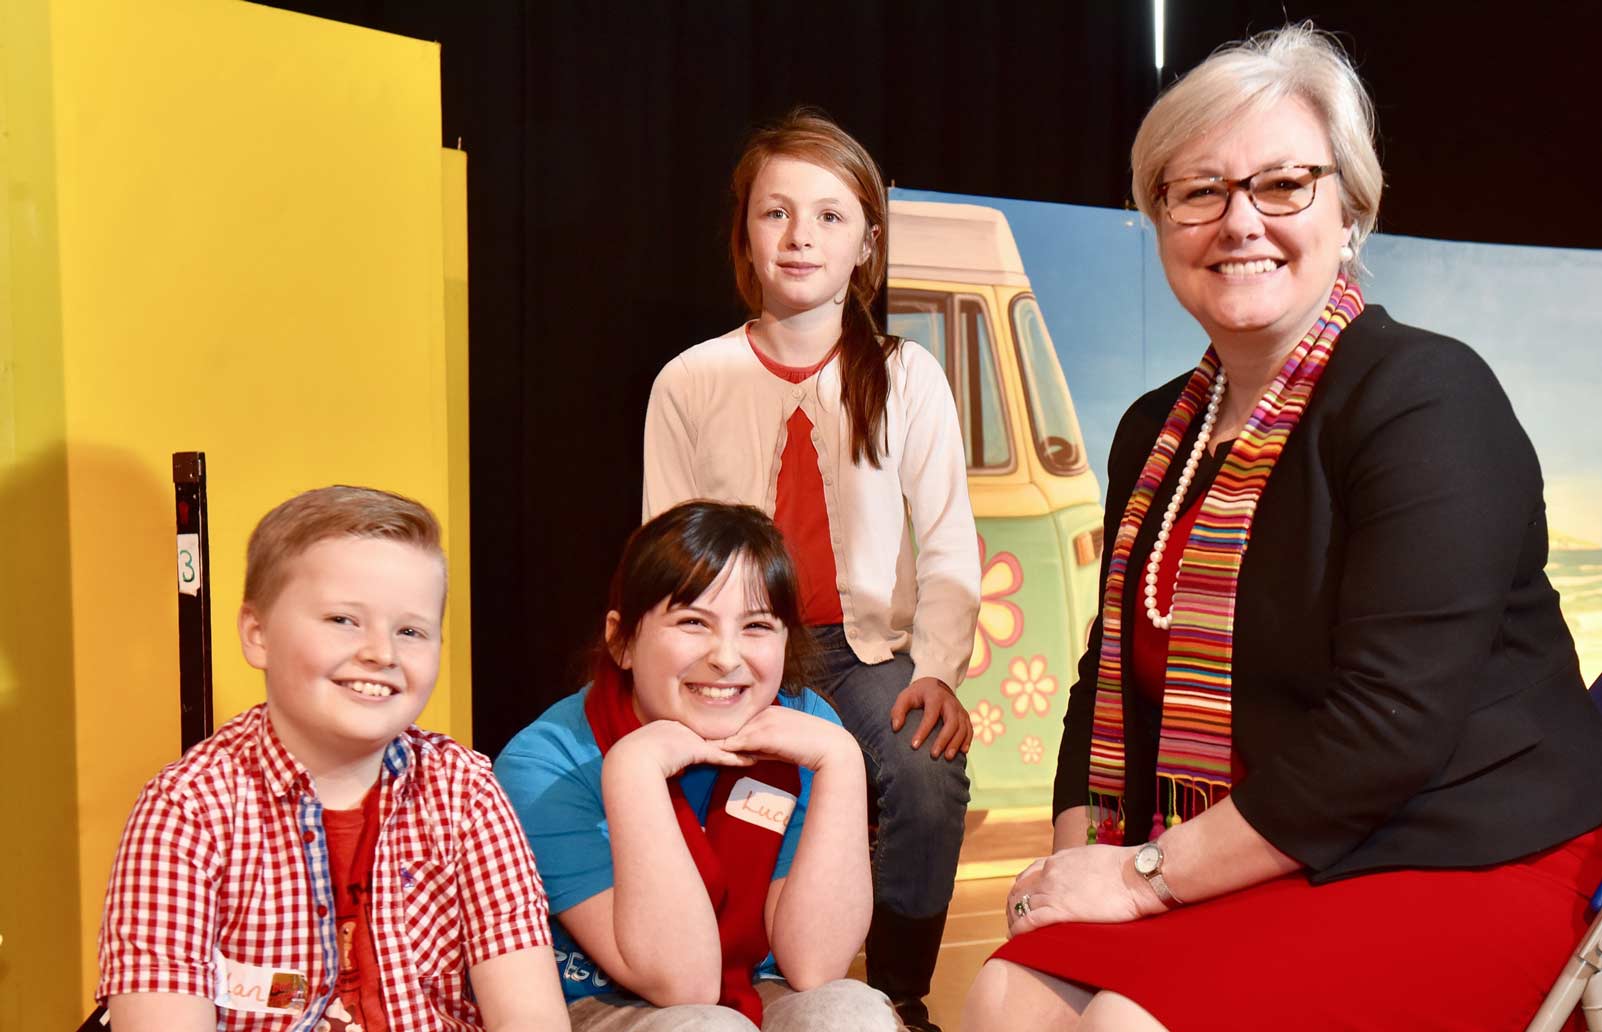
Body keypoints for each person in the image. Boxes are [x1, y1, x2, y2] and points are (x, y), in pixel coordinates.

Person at [962, 23, 1602, 1032]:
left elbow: (1387, 733)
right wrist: (1072, 863)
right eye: (1199, 190)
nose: (1239, 222)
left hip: (1457, 848)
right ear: (1159, 218)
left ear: (1350, 210)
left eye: (1284, 185)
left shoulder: (1428, 399)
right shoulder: (1153, 429)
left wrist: (1137, 878)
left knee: (1127, 1024)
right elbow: (1105, 681)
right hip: (1255, 849)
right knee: (1004, 994)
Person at [640, 109, 980, 1032]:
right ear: (744, 235)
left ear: (867, 240)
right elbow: (664, 548)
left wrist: (940, 668)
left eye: (831, 216)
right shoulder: (690, 380)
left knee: (923, 775)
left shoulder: (908, 375)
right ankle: (711, 972)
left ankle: (899, 990)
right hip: (738, 650)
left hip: (867, 654)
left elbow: (948, 540)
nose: (800, 237)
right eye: (776, 213)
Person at [98, 486, 567, 1031]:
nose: (382, 653)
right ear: (257, 634)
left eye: (411, 631)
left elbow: (530, 1015)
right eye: (344, 620)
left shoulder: (466, 791)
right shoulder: (185, 811)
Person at [495, 501, 898, 1031]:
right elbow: (683, 985)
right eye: (692, 622)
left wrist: (842, 762)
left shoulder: (806, 728)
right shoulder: (544, 766)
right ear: (623, 640)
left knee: (853, 1013)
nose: (726, 658)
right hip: (605, 1002)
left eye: (756, 626)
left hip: (760, 983)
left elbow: (814, 965)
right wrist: (634, 773)